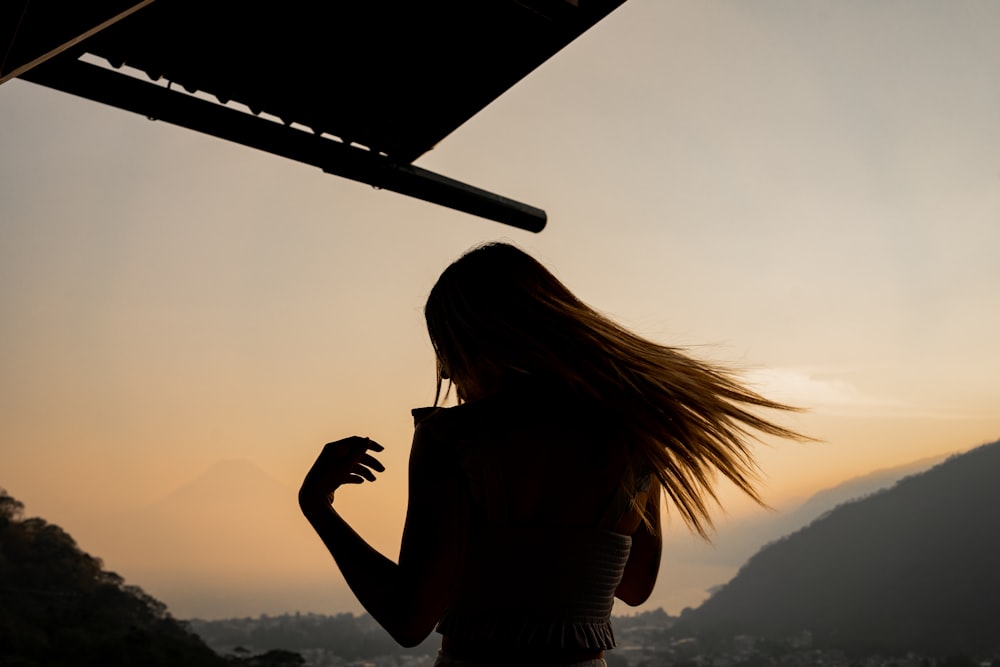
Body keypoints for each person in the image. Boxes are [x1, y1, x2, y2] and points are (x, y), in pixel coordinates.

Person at [299, 242, 806, 666]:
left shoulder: (453, 437)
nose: (448, 378)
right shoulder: (637, 435)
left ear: (475, 344)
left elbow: (410, 620)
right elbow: (634, 585)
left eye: (446, 354)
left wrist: (318, 507)